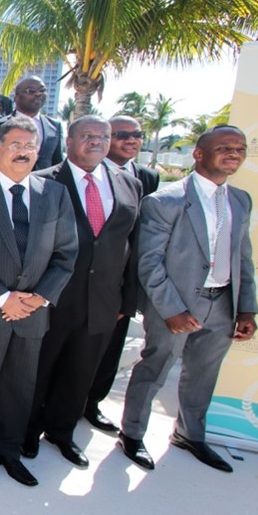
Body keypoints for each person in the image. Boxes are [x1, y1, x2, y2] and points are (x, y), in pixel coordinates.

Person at [119, 125, 257, 473]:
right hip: (175, 306)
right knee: (154, 369)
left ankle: (189, 435)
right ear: (198, 154)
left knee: (203, 375)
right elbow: (148, 262)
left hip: (223, 303)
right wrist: (172, 310)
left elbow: (243, 257)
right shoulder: (166, 201)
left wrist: (245, 308)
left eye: (239, 149)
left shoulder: (240, 200)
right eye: (224, 147)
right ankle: (131, 435)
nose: (233, 154)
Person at [0, 116, 77, 487]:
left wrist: (38, 298)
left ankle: (7, 451)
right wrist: (2, 298)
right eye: (15, 144)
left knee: (20, 386)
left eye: (30, 145)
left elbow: (66, 253)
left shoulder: (55, 194)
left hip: (33, 312)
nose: (24, 151)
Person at [23, 116, 141, 467]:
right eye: (87, 135)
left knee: (81, 371)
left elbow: (133, 246)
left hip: (104, 299)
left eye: (103, 136)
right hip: (52, 297)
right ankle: (27, 431)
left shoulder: (128, 184)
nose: (96, 141)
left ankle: (61, 432)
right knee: (39, 369)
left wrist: (127, 299)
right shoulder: (42, 182)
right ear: (69, 141)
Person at [84, 114, 160, 432]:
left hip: (123, 278)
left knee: (112, 349)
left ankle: (93, 404)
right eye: (121, 135)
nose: (131, 140)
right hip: (84, 281)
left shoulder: (148, 178)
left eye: (137, 134)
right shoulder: (85, 174)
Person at [0, 76, 63, 170]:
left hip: (43, 183)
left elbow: (58, 163)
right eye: (31, 91)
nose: (38, 94)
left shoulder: (55, 126)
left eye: (42, 90)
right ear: (16, 98)